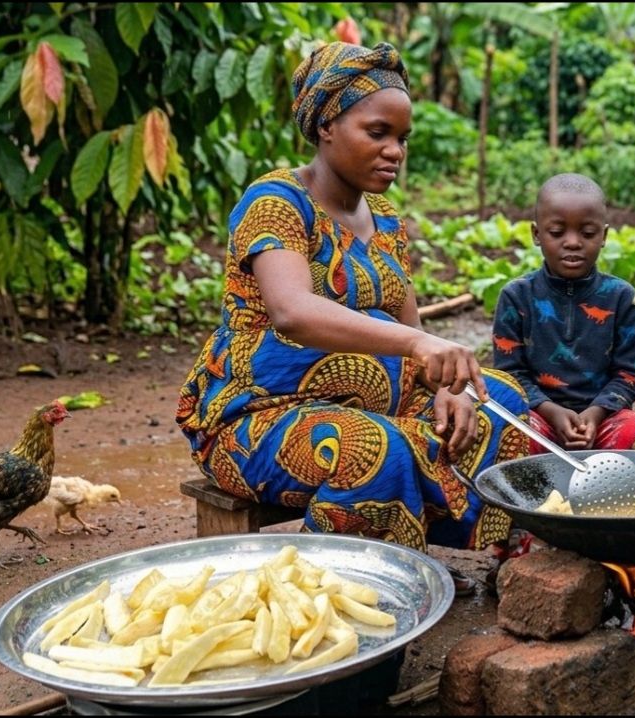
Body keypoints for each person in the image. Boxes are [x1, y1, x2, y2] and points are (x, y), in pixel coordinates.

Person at [175, 41, 529, 596]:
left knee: (498, 401)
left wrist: (447, 385)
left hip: (373, 404)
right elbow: (292, 311)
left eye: (402, 138)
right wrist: (417, 346)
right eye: (378, 132)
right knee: (375, 448)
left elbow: (410, 328)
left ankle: (425, 556)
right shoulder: (276, 202)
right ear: (326, 125)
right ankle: (341, 589)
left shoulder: (384, 217)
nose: (395, 151)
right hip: (258, 418)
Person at [492, 173, 635, 453]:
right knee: (510, 434)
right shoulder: (516, 296)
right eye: (557, 232)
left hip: (604, 420)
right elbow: (509, 374)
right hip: (538, 419)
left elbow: (630, 373)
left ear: (604, 236)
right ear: (536, 234)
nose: (572, 242)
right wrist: (551, 412)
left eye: (588, 233)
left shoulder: (621, 297)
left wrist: (596, 413)